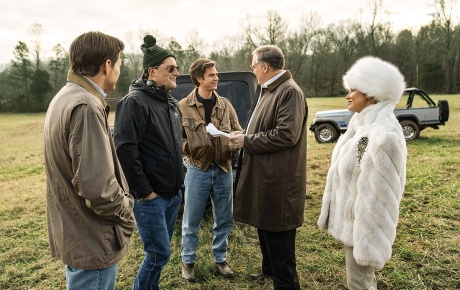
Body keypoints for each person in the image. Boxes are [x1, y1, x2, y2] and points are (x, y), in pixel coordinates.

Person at [43, 31, 136, 290]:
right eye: (118, 63)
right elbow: (97, 187)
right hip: (92, 237)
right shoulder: (86, 105)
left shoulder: (65, 95)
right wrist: (126, 213)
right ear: (107, 65)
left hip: (79, 231)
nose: (119, 69)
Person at [317, 56, 407, 290]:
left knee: (359, 283)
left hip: (365, 230)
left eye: (354, 89)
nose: (348, 95)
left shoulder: (383, 135)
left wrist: (368, 242)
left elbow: (381, 197)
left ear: (373, 94)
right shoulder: (360, 126)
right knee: (360, 281)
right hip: (354, 223)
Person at [229, 45, 308, 290]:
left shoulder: (289, 92)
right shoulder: (268, 90)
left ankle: (284, 283)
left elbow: (286, 135)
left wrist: (247, 141)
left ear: (265, 66)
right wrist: (245, 133)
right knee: (266, 227)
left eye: (253, 66)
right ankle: (269, 271)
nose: (252, 70)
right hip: (265, 175)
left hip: (279, 179)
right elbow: (264, 126)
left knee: (279, 237)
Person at [113, 35, 183, 290]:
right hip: (150, 199)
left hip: (173, 195)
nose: (177, 72)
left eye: (177, 67)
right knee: (158, 254)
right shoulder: (134, 102)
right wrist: (146, 192)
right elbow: (125, 152)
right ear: (152, 71)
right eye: (171, 68)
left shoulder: (172, 104)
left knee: (159, 255)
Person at [179, 58, 242, 281]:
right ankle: (188, 261)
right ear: (199, 79)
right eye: (212, 75)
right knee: (191, 219)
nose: (217, 78)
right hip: (197, 169)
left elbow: (238, 131)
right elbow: (176, 139)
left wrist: (234, 141)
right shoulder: (182, 107)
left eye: (216, 74)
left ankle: (220, 259)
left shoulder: (225, 104)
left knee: (224, 218)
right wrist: (193, 146)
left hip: (224, 168)